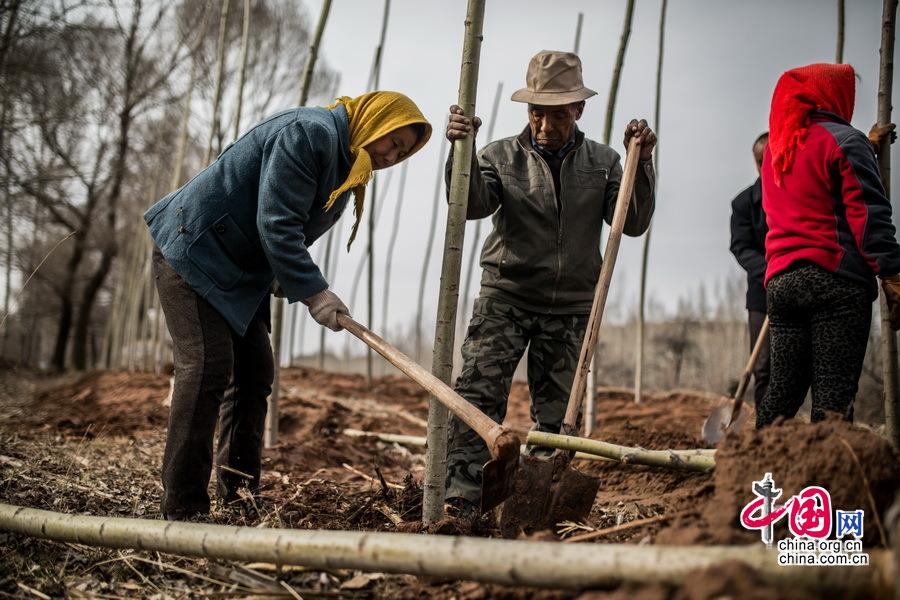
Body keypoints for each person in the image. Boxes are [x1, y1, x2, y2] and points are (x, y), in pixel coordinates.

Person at [145, 92, 431, 520]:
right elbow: (276, 222)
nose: (393, 154)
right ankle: (182, 507)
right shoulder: (310, 134)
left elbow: (284, 223)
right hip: (195, 250)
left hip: (239, 271)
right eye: (393, 140)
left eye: (403, 152)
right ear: (374, 119)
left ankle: (240, 498)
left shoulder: (345, 166)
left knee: (254, 374)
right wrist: (314, 291)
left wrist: (280, 277)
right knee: (206, 367)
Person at [443, 50, 656, 516]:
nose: (544, 125)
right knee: (477, 395)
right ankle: (461, 498)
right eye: (536, 112)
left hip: (572, 306)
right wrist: (460, 150)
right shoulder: (498, 155)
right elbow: (471, 205)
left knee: (560, 418)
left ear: (577, 110)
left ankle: (535, 503)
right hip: (507, 298)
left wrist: (642, 164)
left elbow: (634, 222)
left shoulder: (603, 162)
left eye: (556, 114)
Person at [758, 63, 900, 429]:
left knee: (782, 394)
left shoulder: (778, 147)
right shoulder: (845, 142)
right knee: (832, 401)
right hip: (834, 283)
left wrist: (865, 147)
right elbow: (868, 215)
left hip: (781, 285)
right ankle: (825, 483)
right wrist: (892, 271)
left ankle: (752, 473)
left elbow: (812, 176)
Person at [729, 132, 771, 406]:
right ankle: (765, 434)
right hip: (762, 295)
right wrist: (772, 271)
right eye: (760, 161)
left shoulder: (799, 195)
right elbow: (741, 248)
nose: (764, 166)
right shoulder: (744, 203)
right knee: (764, 366)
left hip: (801, 289)